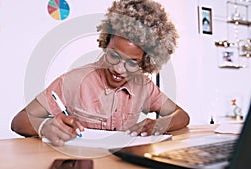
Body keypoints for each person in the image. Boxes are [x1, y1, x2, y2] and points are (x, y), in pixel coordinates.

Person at [11, 0, 190, 146]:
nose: (118, 69)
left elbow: (182, 116)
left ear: (146, 61)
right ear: (106, 43)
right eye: (113, 56)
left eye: (132, 63)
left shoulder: (144, 86)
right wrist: (45, 126)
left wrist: (158, 125)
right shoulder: (74, 80)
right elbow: (18, 121)